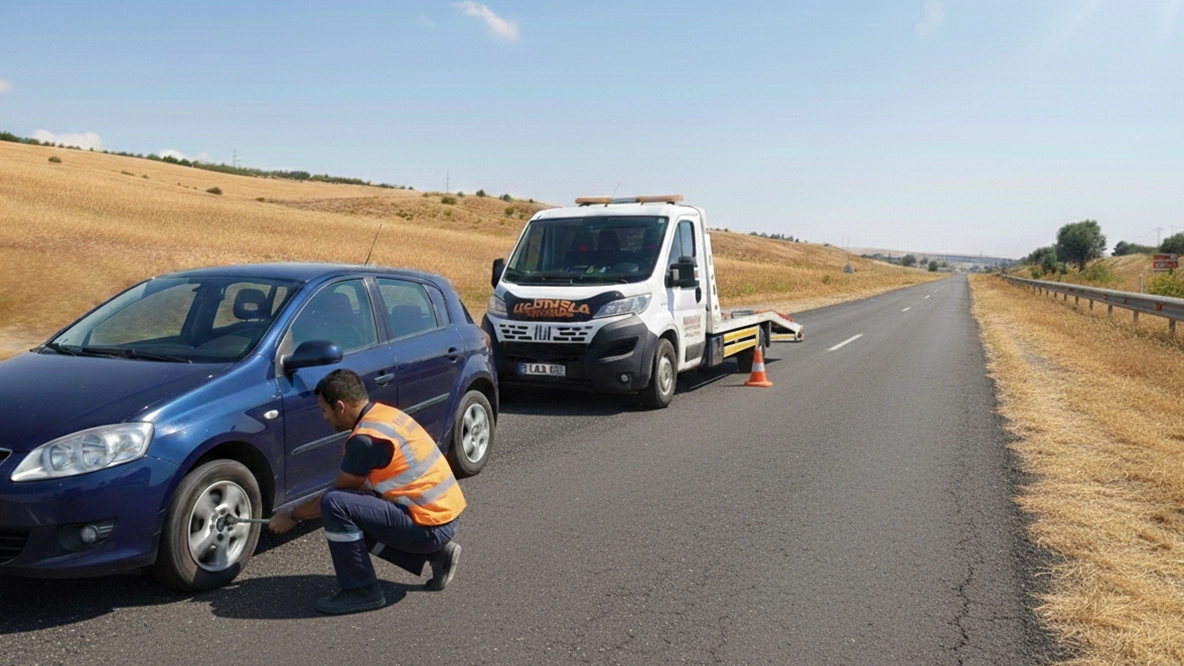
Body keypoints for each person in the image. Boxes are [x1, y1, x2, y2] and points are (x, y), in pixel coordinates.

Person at [269, 368, 466, 615]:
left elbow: (339, 494)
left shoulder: (366, 440)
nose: (324, 417)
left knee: (335, 505)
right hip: (442, 516)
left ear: (340, 406)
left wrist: (292, 515)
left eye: (324, 410)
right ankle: (437, 555)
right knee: (354, 508)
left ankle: (361, 591)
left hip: (430, 526)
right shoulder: (384, 416)